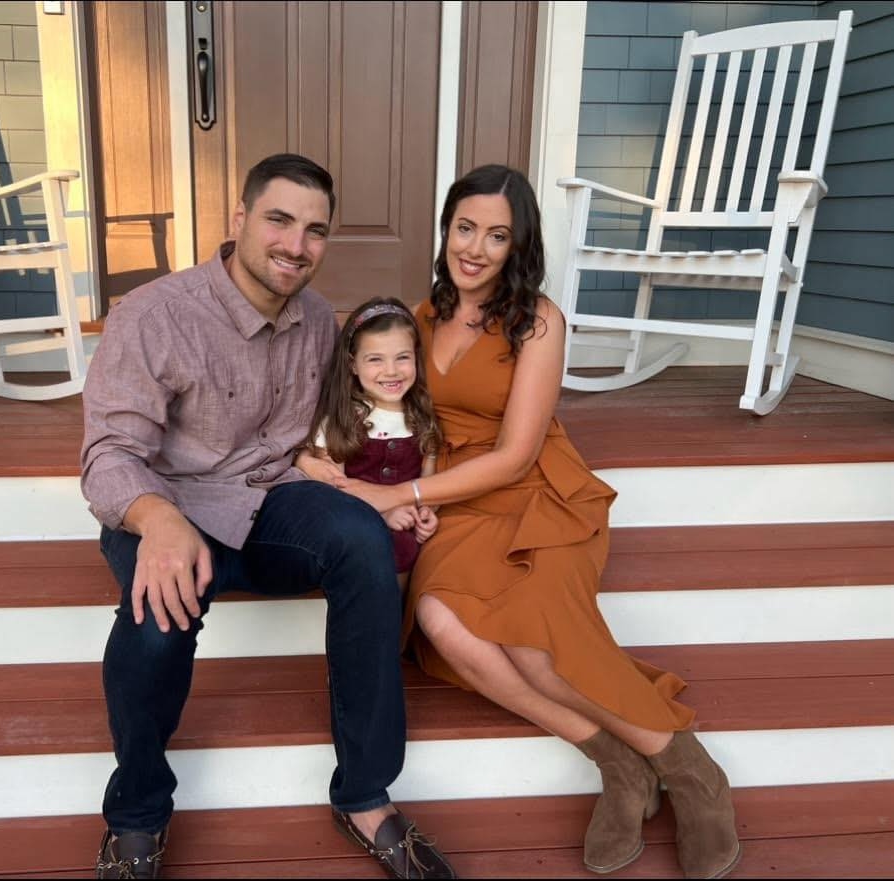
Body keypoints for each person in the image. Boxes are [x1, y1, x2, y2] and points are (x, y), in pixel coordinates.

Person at [303, 165, 740, 880]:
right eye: (464, 228)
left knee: (533, 646)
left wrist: (398, 493)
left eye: (496, 235)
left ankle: (691, 772)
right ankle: (617, 762)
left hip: (530, 490)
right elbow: (376, 403)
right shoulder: (416, 318)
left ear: (518, 246)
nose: (474, 248)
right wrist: (329, 467)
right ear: (445, 230)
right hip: (450, 495)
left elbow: (513, 456)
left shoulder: (537, 320)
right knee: (441, 623)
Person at [79, 153, 455, 881]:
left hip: (272, 501)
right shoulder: (154, 314)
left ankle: (365, 794)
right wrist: (157, 521)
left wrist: (399, 492)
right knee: (155, 619)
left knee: (362, 543)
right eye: (279, 220)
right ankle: (137, 813)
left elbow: (345, 421)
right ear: (240, 219)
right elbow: (109, 453)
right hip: (173, 503)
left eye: (315, 231)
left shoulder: (317, 321)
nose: (296, 245)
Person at [305, 297, 443, 588]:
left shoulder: (422, 417)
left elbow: (429, 482)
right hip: (359, 522)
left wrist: (427, 513)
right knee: (391, 546)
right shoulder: (341, 418)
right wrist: (384, 512)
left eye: (402, 357)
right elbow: (333, 487)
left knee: (421, 549)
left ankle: (404, 613)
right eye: (375, 359)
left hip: (409, 524)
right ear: (353, 365)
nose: (391, 371)